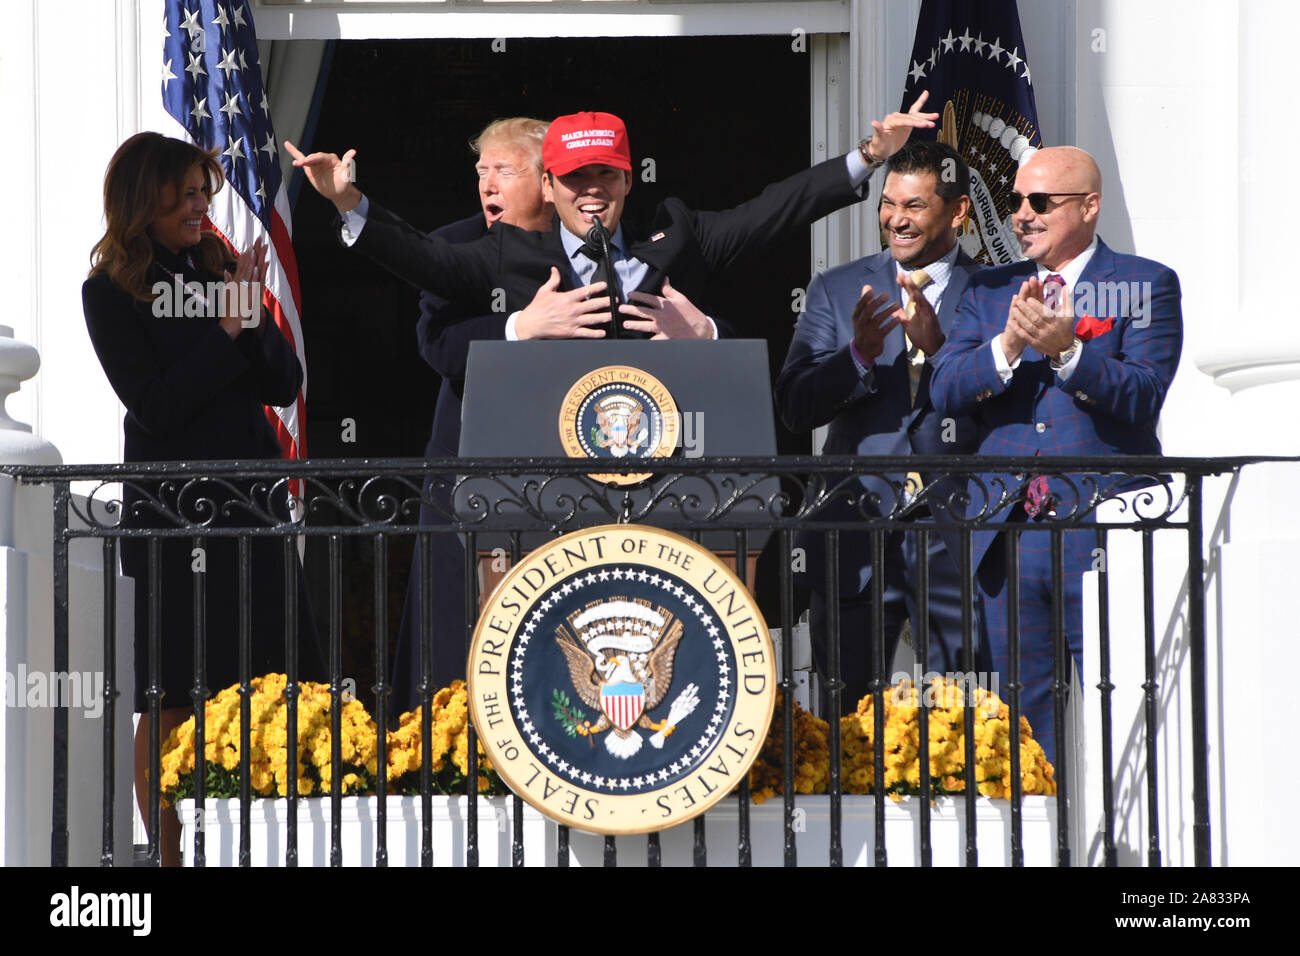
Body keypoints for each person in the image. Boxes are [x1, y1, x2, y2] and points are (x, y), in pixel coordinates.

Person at [393, 117, 721, 715]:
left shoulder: (600, 246)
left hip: (580, 484)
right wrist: (521, 328)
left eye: (504, 170)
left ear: (547, 182)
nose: (487, 184)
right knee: (462, 633)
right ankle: (447, 755)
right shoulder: (458, 244)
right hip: (473, 469)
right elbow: (438, 348)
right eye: (481, 171)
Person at [82, 132, 324, 863]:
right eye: (185, 194)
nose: (199, 207)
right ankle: (169, 852)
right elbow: (154, 405)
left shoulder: (219, 269)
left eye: (203, 193)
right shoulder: (111, 291)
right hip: (172, 520)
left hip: (249, 509)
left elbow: (281, 384)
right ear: (143, 198)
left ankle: (265, 841)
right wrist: (223, 328)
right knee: (173, 691)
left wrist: (248, 313)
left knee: (273, 679)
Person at [927, 145, 1183, 763]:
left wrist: (1072, 355)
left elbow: (1143, 394)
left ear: (1089, 207)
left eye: (1040, 202)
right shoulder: (989, 290)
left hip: (1101, 527)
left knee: (1118, 698)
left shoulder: (1143, 283)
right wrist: (1007, 347)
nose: (1022, 215)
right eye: (1016, 202)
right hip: (1009, 534)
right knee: (1021, 721)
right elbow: (943, 389)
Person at [283, 95, 941, 331]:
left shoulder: (678, 234)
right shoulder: (510, 252)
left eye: (606, 175)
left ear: (628, 179)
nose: (591, 191)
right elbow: (424, 260)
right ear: (549, 184)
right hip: (550, 496)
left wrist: (867, 155)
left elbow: (775, 210)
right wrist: (347, 201)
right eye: (575, 178)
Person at [775, 139, 983, 714]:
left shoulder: (997, 290)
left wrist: (938, 349)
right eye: (889, 204)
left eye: (914, 206)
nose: (896, 219)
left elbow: (1004, 402)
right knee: (844, 725)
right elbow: (794, 405)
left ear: (957, 211)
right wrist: (858, 357)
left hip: (955, 534)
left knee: (965, 720)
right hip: (853, 536)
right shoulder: (837, 289)